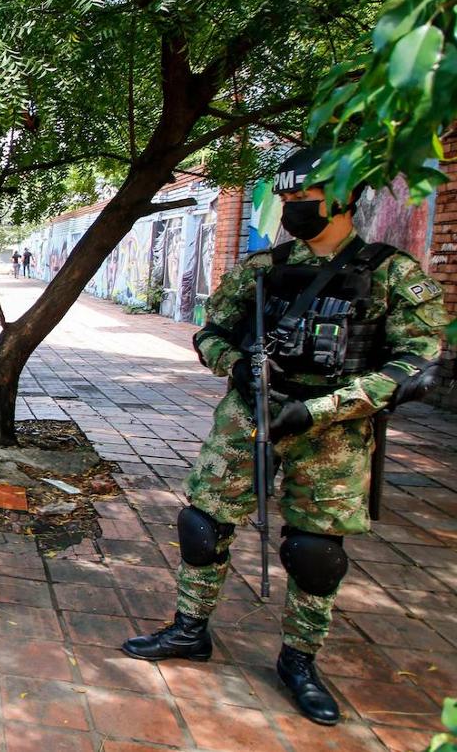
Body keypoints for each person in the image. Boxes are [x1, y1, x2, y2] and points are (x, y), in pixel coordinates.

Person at [120, 147, 446, 726]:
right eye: (288, 199)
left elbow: (416, 366)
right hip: (249, 416)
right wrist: (237, 365)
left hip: (332, 431)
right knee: (203, 524)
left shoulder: (393, 273)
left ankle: (300, 661)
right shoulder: (262, 267)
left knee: (315, 552)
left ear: (344, 195)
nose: (294, 209)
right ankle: (190, 629)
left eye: (306, 198)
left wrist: (322, 408)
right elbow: (211, 332)